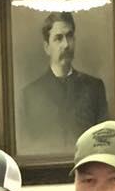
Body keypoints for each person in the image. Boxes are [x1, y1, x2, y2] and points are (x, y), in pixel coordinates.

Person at [19, 11, 107, 154]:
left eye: (70, 36)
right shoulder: (30, 94)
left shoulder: (94, 87)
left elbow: (104, 143)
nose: (66, 45)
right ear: (47, 47)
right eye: (58, 38)